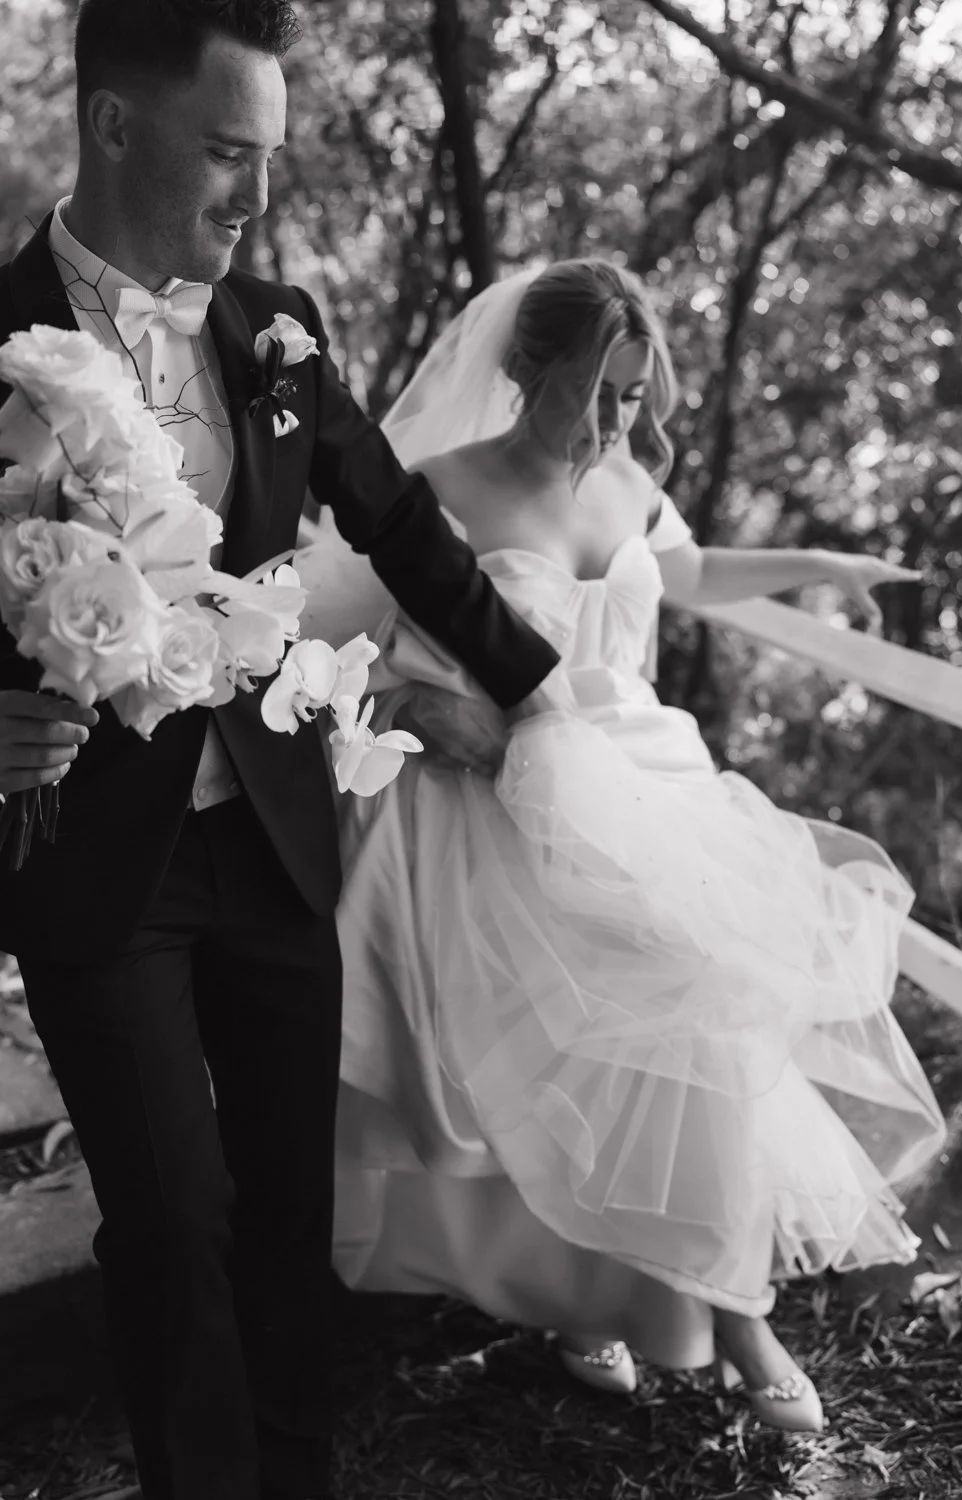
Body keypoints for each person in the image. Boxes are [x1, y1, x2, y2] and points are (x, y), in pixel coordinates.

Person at [0, 6, 561, 1499]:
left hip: (273, 841)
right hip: (88, 862)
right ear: (116, 127)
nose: (255, 198)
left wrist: (546, 693)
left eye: (271, 160)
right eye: (227, 153)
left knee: (280, 1214)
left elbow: (405, 528)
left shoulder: (276, 330)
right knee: (172, 1218)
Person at [303, 259, 947, 1434]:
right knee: (581, 1050)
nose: (615, 424)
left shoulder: (625, 481)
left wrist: (823, 566)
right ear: (522, 370)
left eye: (635, 396)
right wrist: (412, 710)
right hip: (502, 803)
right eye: (596, 392)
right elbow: (335, 644)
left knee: (706, 1015)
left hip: (650, 788)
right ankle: (667, 1314)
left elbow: (685, 571)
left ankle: (665, 1303)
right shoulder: (430, 491)